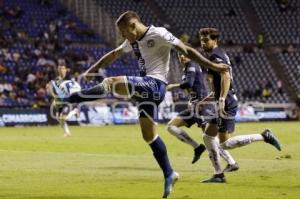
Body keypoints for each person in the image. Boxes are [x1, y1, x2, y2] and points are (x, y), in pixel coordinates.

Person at [51, 11, 229, 198]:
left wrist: (214, 66)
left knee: (111, 83)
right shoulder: (133, 39)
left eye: (123, 32)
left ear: (133, 25)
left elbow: (187, 50)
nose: (122, 36)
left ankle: (68, 99)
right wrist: (94, 68)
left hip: (155, 84)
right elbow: (115, 53)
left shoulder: (159, 33)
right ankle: (169, 173)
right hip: (147, 93)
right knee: (149, 136)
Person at [198, 28, 282, 183]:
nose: (203, 43)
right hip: (222, 100)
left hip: (227, 102)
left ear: (215, 40)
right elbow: (218, 85)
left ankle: (263, 136)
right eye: (202, 40)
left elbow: (226, 76)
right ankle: (218, 175)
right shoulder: (217, 54)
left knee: (226, 143)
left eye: (206, 40)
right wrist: (207, 100)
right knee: (208, 136)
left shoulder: (216, 55)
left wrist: (222, 99)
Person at [166, 50, 239, 173]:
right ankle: (197, 147)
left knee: (210, 137)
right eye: (180, 55)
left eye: (185, 54)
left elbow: (188, 83)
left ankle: (231, 162)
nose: (182, 57)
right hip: (193, 107)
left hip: (202, 106)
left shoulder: (192, 66)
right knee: (171, 126)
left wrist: (173, 86)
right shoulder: (187, 68)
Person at [48, 64, 78, 137]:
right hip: (60, 100)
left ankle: (75, 111)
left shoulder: (69, 79)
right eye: (60, 69)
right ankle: (67, 132)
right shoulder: (56, 80)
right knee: (59, 118)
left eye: (63, 69)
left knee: (63, 117)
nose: (62, 70)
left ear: (65, 70)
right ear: (58, 70)